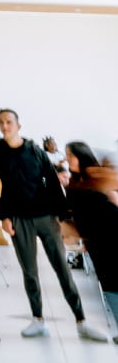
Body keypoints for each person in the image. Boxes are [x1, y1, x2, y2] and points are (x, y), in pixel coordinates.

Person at [0, 109, 107, 341]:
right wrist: (4, 217)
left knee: (62, 268)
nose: (4, 126)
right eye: (1, 122)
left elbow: (51, 181)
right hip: (19, 220)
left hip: (46, 217)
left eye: (9, 122)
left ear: (19, 125)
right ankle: (38, 320)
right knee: (29, 271)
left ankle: (81, 320)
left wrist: (62, 216)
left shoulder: (34, 151)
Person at [64, 142, 118, 336]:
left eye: (72, 155)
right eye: (67, 155)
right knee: (108, 284)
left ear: (82, 155)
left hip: (112, 236)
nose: (68, 159)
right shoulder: (72, 185)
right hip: (95, 243)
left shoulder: (98, 177)